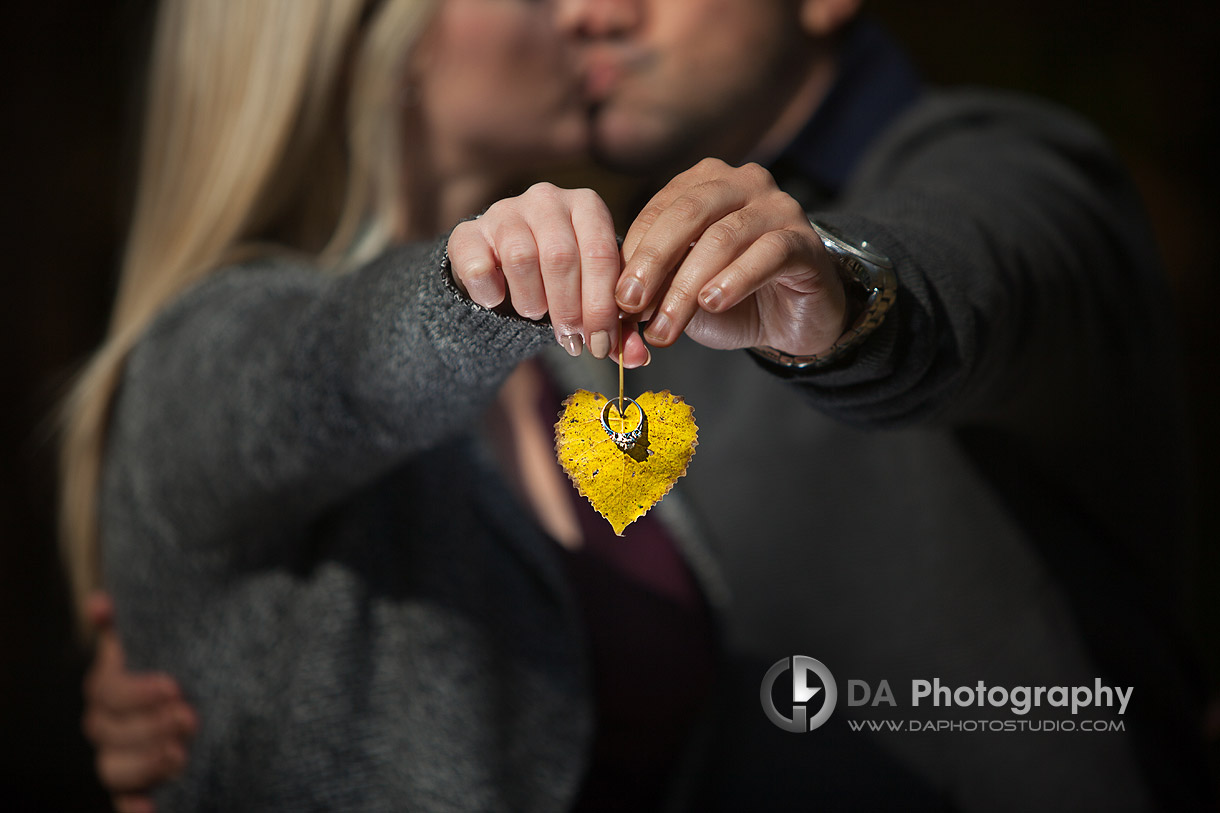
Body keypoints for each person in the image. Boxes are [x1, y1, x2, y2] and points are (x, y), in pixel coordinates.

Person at [78, 0, 1215, 810]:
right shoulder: (603, 310)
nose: (587, 13)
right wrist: (229, 687)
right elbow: (315, 379)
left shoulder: (1001, 168)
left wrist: (846, 290)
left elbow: (981, 265)